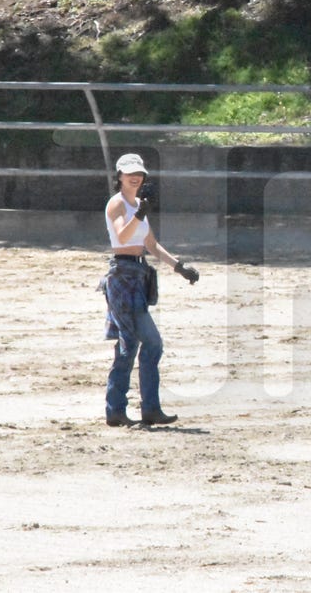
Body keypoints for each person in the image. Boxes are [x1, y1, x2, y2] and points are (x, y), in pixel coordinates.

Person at [101, 153, 200, 427]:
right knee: (144, 342)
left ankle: (127, 410)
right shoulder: (117, 204)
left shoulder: (136, 205)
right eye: (130, 172)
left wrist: (179, 267)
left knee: (131, 344)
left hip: (137, 274)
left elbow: (151, 244)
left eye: (140, 173)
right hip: (122, 276)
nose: (136, 177)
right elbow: (121, 236)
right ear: (119, 176)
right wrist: (141, 213)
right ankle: (134, 409)